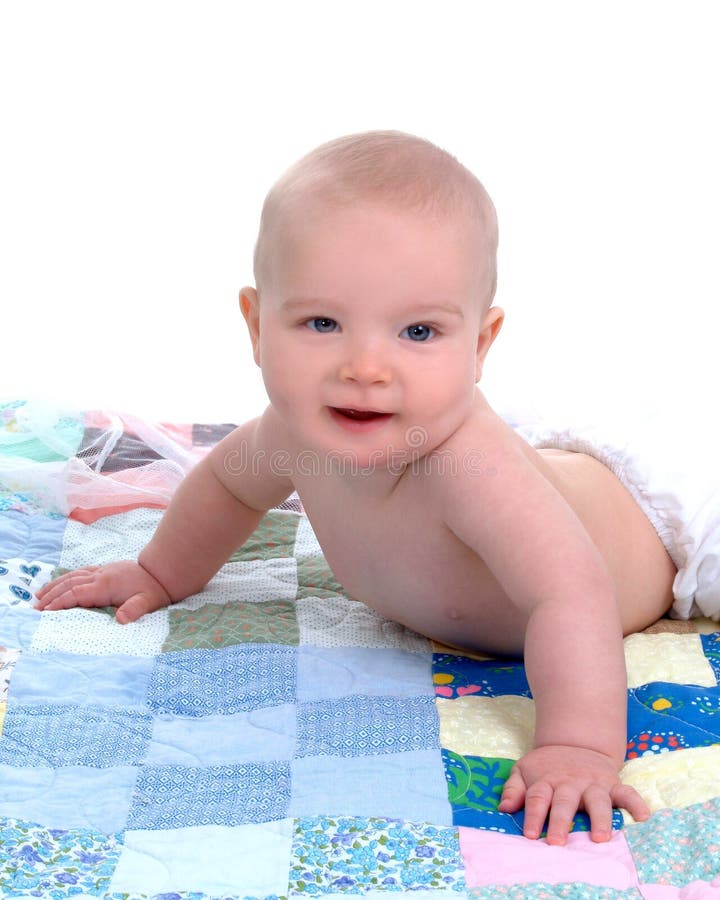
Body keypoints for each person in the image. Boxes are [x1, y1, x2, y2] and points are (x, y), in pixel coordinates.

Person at [36, 130, 707, 846]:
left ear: (479, 347)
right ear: (258, 327)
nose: (366, 367)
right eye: (322, 323)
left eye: (418, 331)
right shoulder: (291, 436)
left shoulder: (468, 467)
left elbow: (570, 591)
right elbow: (226, 490)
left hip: (661, 531)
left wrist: (578, 745)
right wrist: (159, 571)